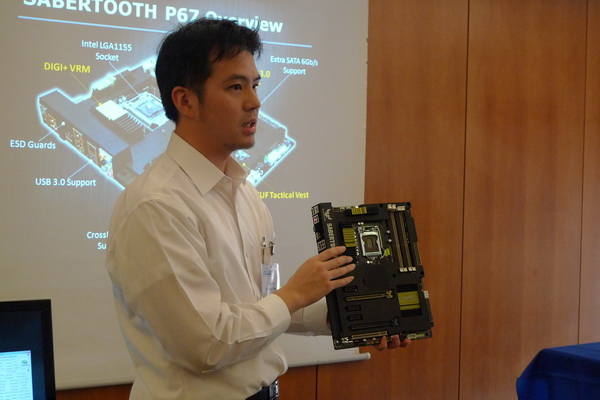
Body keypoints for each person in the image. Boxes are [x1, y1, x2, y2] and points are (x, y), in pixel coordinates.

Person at [106, 18, 409, 400]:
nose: (254, 101)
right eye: (235, 87)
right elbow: (207, 344)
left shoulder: (244, 192)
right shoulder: (157, 205)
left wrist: (359, 317)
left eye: (255, 85)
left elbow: (258, 308)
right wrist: (295, 293)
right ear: (185, 100)